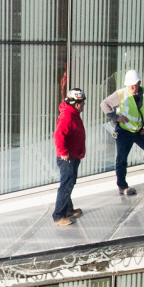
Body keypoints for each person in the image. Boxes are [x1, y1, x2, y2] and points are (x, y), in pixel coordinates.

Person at [53, 88, 87, 226]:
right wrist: (63, 152)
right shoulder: (68, 116)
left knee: (70, 183)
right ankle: (58, 215)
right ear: (76, 103)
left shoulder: (73, 113)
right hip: (67, 158)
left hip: (73, 155)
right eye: (82, 102)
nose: (84, 104)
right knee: (66, 185)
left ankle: (68, 210)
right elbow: (58, 136)